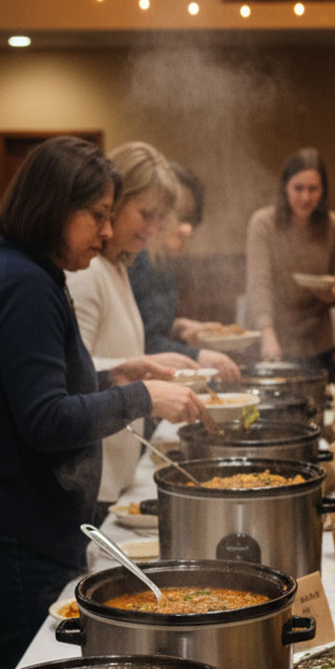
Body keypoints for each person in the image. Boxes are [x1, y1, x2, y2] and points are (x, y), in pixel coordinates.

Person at [0, 136, 207, 669]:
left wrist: (117, 373)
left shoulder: (33, 273)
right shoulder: (23, 284)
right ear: (54, 209)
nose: (107, 232)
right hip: (6, 526)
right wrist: (140, 396)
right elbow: (44, 421)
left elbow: (43, 391)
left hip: (16, 521)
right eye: (98, 216)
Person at [66, 141, 204, 505]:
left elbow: (115, 354)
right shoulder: (88, 274)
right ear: (114, 202)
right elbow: (72, 377)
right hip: (95, 481)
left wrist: (153, 366)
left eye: (161, 218)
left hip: (117, 473)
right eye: (146, 215)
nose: (154, 228)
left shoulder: (117, 267)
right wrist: (141, 381)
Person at [128, 163, 241, 384]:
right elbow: (143, 341)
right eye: (178, 216)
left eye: (190, 219)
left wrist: (179, 327)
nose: (187, 228)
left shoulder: (163, 258)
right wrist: (198, 355)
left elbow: (149, 320)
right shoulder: (136, 258)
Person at [245, 147, 335, 368]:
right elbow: (259, 285)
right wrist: (267, 333)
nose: (305, 197)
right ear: (285, 187)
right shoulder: (264, 223)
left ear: (323, 191)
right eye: (298, 188)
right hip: (273, 336)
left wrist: (332, 294)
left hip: (317, 340)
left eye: (313, 189)